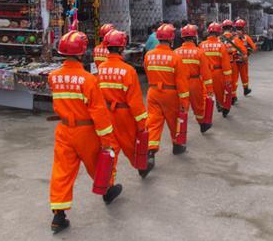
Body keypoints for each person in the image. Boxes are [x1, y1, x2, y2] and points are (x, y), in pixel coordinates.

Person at [48, 30, 121, 234]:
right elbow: (99, 114)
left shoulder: (54, 77)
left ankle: (58, 215)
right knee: (98, 164)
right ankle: (107, 190)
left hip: (63, 130)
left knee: (62, 171)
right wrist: (107, 140)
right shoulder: (89, 80)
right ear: (82, 53)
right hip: (85, 131)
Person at [98, 30, 151, 178]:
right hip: (124, 114)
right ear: (122, 48)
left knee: (110, 148)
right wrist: (141, 123)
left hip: (106, 115)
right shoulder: (128, 70)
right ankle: (141, 166)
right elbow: (135, 101)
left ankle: (107, 183)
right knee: (132, 145)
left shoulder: (100, 68)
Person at [144, 23, 190, 161]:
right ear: (171, 39)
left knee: (153, 122)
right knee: (174, 121)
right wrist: (184, 103)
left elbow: (147, 72)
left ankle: (150, 151)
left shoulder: (148, 55)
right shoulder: (175, 57)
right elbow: (181, 83)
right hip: (170, 94)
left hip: (153, 92)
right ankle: (177, 146)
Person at [175, 24, 214, 133]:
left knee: (181, 108)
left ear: (182, 38)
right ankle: (202, 124)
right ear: (194, 37)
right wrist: (209, 89)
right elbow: (206, 74)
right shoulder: (199, 52)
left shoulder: (175, 52)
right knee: (199, 106)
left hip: (179, 83)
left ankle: (179, 133)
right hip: (195, 83)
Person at [200, 23, 233, 118]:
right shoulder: (221, 46)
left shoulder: (201, 45)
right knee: (220, 93)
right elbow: (226, 64)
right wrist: (228, 78)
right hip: (217, 73)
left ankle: (205, 116)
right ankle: (223, 107)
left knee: (206, 95)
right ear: (219, 33)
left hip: (205, 74)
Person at [220, 19, 247, 105]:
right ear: (231, 28)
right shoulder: (235, 39)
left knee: (222, 82)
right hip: (232, 64)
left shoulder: (218, 40)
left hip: (220, 66)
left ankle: (222, 99)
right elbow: (244, 51)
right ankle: (232, 97)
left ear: (223, 28)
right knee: (233, 80)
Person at [233, 19, 257, 96]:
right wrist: (247, 53)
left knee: (234, 78)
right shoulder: (246, 37)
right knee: (244, 76)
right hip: (243, 60)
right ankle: (245, 89)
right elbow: (254, 48)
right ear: (244, 28)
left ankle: (233, 96)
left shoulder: (232, 38)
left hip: (234, 61)